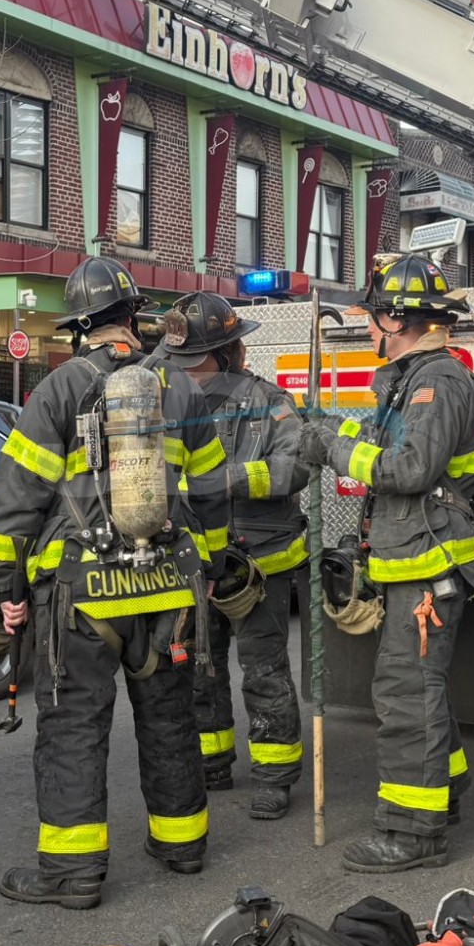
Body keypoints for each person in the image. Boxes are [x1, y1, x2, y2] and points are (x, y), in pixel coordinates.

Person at [0, 256, 227, 910]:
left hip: (83, 596)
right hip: (171, 589)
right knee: (171, 717)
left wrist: (3, 587)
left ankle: (72, 874)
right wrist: (214, 570)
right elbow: (211, 493)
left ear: (80, 326)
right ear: (134, 318)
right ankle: (183, 845)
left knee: (73, 727)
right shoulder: (181, 391)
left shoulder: (58, 390)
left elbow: (17, 500)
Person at [296, 253, 474, 873]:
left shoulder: (437, 382)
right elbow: (392, 454)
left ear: (395, 319)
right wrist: (337, 434)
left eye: (374, 317)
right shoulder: (412, 381)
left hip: (428, 567)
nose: (369, 329)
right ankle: (445, 793)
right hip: (415, 560)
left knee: (407, 694)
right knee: (421, 690)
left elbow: (409, 470)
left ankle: (413, 831)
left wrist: (335, 449)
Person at [169, 291, 308, 821]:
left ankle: (274, 776)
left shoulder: (269, 401)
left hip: (258, 561)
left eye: (192, 359)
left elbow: (295, 467)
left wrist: (223, 482)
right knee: (199, 667)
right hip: (195, 558)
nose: (184, 370)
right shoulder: (171, 404)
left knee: (263, 669)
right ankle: (213, 761)